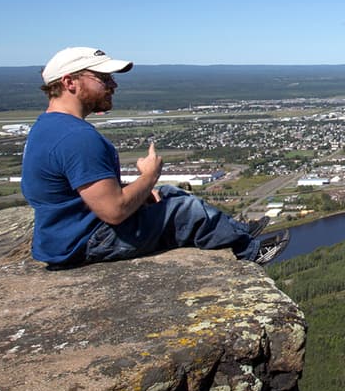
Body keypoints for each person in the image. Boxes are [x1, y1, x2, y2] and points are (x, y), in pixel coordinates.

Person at [21, 46, 287, 268]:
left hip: (65, 237)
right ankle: (249, 253)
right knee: (186, 210)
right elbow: (114, 212)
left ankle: (237, 231)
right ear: (69, 82)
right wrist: (149, 176)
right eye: (103, 78)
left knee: (168, 193)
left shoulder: (48, 126)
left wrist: (143, 191)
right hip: (87, 241)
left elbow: (78, 190)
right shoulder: (77, 138)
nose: (113, 84)